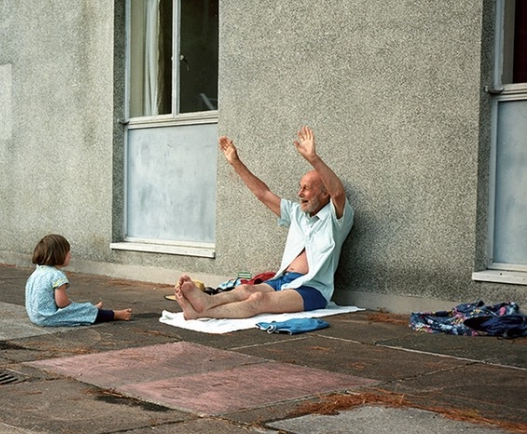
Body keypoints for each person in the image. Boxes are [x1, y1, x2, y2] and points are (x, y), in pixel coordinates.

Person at [175, 126, 354, 320]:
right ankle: (206, 302)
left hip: (311, 290)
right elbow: (263, 193)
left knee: (258, 299)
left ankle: (201, 312)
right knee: (244, 289)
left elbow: (338, 193)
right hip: (283, 280)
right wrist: (236, 162)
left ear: (323, 193)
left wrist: (313, 158)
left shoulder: (336, 219)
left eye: (306, 188)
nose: (299, 193)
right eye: (300, 187)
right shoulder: (297, 213)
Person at [26, 234, 132, 326]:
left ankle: (91, 309)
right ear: (58, 255)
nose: (70, 255)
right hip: (47, 318)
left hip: (35, 315)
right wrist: (76, 308)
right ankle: (117, 314)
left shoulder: (37, 272)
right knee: (84, 311)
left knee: (80, 309)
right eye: (68, 252)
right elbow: (62, 303)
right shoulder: (56, 276)